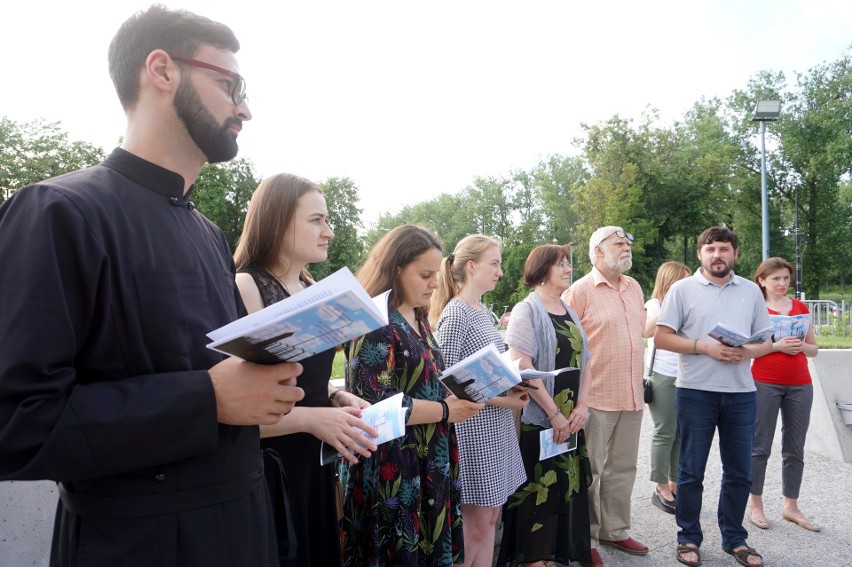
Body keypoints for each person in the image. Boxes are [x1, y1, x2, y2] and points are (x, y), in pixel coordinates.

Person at [0, 6, 305, 566]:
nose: (245, 107)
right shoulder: (57, 211)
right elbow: (16, 425)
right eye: (229, 83)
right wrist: (206, 398)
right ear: (161, 70)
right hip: (137, 547)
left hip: (246, 530)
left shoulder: (208, 231)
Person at [233, 173, 380, 566]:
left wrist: (334, 396)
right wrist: (314, 419)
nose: (328, 231)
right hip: (275, 468)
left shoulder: (311, 286)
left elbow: (303, 379)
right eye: (316, 220)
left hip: (316, 460)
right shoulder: (247, 285)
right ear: (278, 220)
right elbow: (239, 410)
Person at [339, 224, 484, 567]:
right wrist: (446, 411)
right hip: (393, 466)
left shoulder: (418, 317)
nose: (435, 283)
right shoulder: (374, 320)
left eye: (436, 274)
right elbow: (376, 407)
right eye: (425, 274)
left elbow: (424, 379)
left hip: (429, 457)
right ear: (396, 268)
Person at [655, 227, 773, 567]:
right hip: (695, 392)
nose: (717, 255)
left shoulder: (751, 291)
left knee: (739, 472)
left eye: (724, 248)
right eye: (711, 249)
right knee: (691, 471)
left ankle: (735, 539)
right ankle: (688, 537)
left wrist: (747, 352)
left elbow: (765, 342)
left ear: (735, 252)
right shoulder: (681, 289)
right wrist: (703, 347)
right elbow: (662, 338)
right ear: (700, 254)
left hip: (741, 394)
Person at [430, 234, 529, 567]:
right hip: (474, 432)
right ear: (471, 267)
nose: (500, 271)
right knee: (474, 527)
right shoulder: (456, 313)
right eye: (495, 263)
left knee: (489, 519)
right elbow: (447, 385)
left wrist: (516, 384)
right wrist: (507, 402)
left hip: (494, 429)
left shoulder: (482, 311)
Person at [496, 243, 593, 567]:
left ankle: (553, 552)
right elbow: (523, 366)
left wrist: (581, 407)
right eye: (561, 264)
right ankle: (533, 558)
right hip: (541, 420)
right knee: (537, 490)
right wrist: (553, 414)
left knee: (563, 487)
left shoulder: (568, 308)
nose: (568, 269)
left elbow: (587, 362)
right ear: (541, 270)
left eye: (568, 263)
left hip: (571, 419)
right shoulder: (527, 309)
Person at [561, 226, 648, 565]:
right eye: (619, 243)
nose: (626, 247)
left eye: (628, 243)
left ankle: (615, 530)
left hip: (631, 394)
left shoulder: (634, 287)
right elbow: (566, 348)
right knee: (591, 472)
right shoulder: (579, 292)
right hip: (595, 397)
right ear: (597, 251)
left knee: (623, 468)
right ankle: (588, 538)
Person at [747, 257, 820, 533]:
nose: (782, 283)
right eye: (775, 278)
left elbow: (814, 349)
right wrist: (776, 347)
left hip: (801, 383)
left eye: (786, 278)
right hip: (765, 382)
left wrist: (801, 346)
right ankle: (756, 503)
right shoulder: (757, 309)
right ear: (762, 281)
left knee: (795, 447)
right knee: (760, 446)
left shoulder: (800, 308)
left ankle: (791, 506)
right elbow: (749, 350)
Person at [644, 261, 692, 514]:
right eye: (681, 281)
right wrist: (672, 306)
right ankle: (660, 486)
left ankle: (675, 482)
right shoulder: (655, 305)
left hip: (688, 376)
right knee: (664, 432)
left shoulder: (689, 305)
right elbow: (646, 330)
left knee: (681, 434)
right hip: (663, 376)